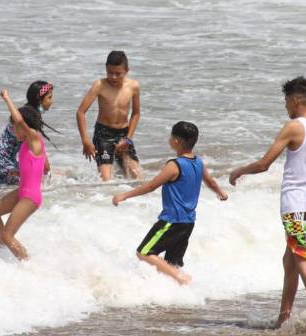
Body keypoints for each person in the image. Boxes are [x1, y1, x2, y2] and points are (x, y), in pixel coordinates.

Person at [228, 77, 306, 333]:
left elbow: (264, 164)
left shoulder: (294, 127)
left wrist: (239, 171)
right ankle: (283, 318)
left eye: (286, 102)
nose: (285, 107)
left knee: (303, 262)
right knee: (290, 261)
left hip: (295, 207)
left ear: (295, 101)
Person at [112, 121, 227, 285]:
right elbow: (211, 183)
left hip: (171, 221)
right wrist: (221, 193)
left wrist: (124, 195)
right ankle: (178, 298)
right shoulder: (199, 162)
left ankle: (182, 279)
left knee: (144, 253)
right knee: (173, 265)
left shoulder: (175, 165)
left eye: (171, 136)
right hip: (187, 223)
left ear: (176, 141)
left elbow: (152, 185)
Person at [0, 89, 49, 260]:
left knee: (9, 235)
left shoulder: (34, 139)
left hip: (31, 197)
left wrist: (7, 99)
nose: (14, 131)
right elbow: (40, 168)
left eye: (15, 127)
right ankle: (3, 255)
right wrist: (19, 171)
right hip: (23, 192)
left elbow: (20, 120)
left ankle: (28, 265)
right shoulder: (26, 145)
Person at [76, 50, 141, 181]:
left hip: (124, 135)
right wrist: (86, 141)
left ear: (127, 70)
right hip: (103, 135)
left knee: (137, 177)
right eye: (110, 73)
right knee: (106, 181)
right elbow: (80, 112)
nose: (113, 77)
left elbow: (136, 113)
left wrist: (128, 139)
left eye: (118, 74)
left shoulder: (133, 86)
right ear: (106, 69)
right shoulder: (99, 85)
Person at [0, 81, 54, 185]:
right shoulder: (27, 116)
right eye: (49, 97)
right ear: (39, 100)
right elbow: (18, 120)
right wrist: (7, 98)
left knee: (44, 175)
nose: (52, 101)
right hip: (1, 161)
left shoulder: (30, 113)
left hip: (5, 158)